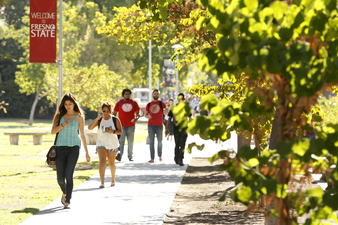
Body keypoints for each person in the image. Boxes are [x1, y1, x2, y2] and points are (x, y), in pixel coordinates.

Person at [51, 92, 90, 209]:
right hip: (60, 148)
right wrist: (62, 125)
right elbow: (53, 131)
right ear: (63, 105)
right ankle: (64, 192)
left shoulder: (79, 117)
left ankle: (67, 201)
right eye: (66, 104)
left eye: (70, 104)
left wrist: (87, 153)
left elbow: (82, 135)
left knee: (69, 174)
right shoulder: (59, 116)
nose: (68, 106)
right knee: (60, 178)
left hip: (74, 148)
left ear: (74, 104)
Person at [88, 101, 122, 188]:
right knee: (102, 162)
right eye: (104, 111)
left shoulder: (115, 119)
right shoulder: (100, 119)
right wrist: (97, 119)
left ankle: (113, 179)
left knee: (111, 163)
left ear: (110, 110)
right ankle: (102, 182)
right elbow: (90, 127)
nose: (106, 113)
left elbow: (120, 131)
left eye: (108, 111)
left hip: (112, 143)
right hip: (101, 143)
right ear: (101, 111)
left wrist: (112, 131)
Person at [113, 88, 140, 161]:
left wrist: (136, 118)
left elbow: (138, 114)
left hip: (131, 125)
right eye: (126, 94)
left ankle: (130, 156)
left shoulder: (134, 103)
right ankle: (119, 155)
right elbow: (114, 113)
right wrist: (115, 123)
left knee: (130, 141)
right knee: (121, 141)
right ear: (123, 95)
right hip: (121, 125)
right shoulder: (119, 103)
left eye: (128, 94)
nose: (127, 95)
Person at [165, 93, 189, 166]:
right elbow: (170, 118)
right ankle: (176, 158)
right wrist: (166, 128)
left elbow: (190, 117)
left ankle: (180, 159)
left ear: (184, 99)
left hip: (184, 128)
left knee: (182, 144)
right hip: (176, 128)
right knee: (177, 144)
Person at [145, 89, 167, 163]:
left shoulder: (162, 104)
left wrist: (167, 110)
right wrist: (148, 117)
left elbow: (166, 112)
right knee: (151, 142)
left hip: (159, 125)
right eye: (155, 94)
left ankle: (160, 156)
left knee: (160, 141)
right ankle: (152, 158)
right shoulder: (148, 104)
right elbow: (145, 114)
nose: (156, 95)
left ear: (159, 95)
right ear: (152, 94)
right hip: (151, 125)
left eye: (157, 94)